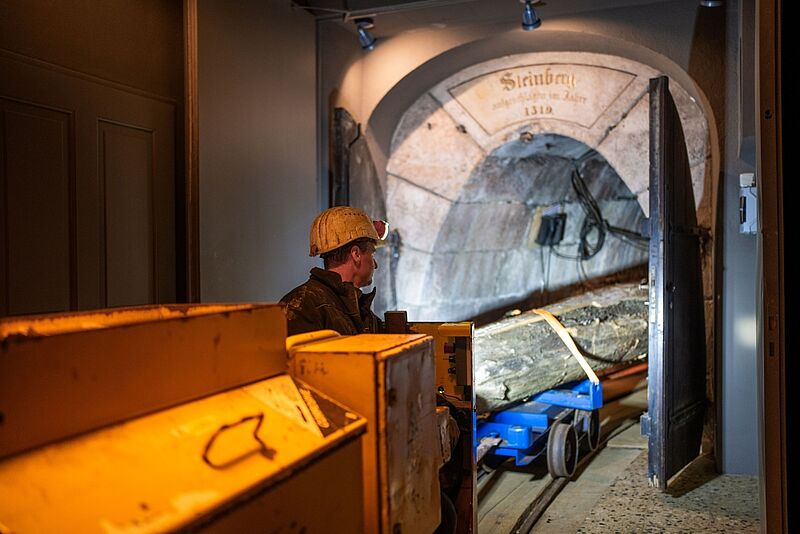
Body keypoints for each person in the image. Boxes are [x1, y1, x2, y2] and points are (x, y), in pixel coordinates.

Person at [280, 206, 389, 336]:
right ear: (356, 254)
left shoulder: (358, 309)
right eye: (372, 254)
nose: (375, 265)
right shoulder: (302, 304)